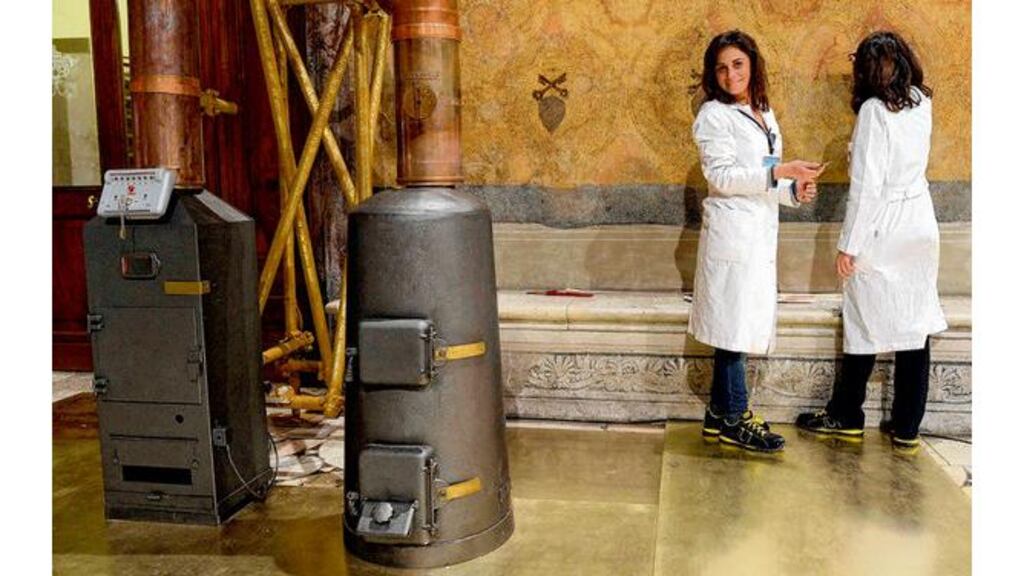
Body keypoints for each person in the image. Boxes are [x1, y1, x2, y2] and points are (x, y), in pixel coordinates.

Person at [796, 31, 947, 453]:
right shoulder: (921, 101)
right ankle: (907, 428)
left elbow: (867, 187)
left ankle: (846, 414)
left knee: (862, 319)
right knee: (915, 324)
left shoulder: (873, 112)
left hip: (884, 226)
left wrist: (849, 244)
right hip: (920, 221)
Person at [690, 30, 823, 452]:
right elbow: (722, 177)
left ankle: (717, 415)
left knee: (737, 323)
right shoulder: (713, 115)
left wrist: (794, 190)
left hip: (757, 234)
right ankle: (736, 417)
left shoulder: (763, 111)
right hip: (732, 234)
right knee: (734, 330)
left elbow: (766, 176)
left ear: (752, 65)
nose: (730, 75)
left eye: (738, 65)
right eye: (721, 68)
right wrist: (780, 173)